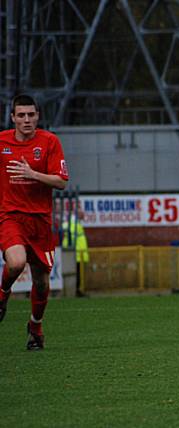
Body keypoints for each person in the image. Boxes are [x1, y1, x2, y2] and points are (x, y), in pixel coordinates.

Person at [0, 94, 69, 350]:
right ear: (13, 118)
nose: (26, 119)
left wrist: (33, 174)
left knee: (41, 282)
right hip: (10, 217)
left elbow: (61, 182)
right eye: (21, 115)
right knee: (16, 262)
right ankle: (2, 296)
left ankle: (35, 327)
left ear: (38, 116)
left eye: (31, 114)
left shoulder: (50, 141)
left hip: (40, 221)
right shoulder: (1, 143)